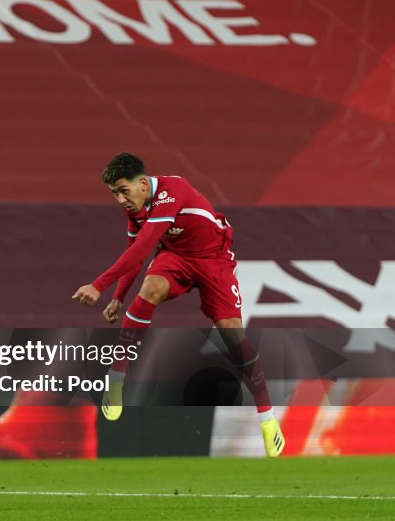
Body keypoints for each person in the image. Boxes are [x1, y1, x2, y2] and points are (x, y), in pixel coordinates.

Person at [71, 152, 285, 457]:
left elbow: (145, 246)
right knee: (151, 287)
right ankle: (117, 376)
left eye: (123, 191)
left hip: (214, 261)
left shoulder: (173, 191)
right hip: (176, 259)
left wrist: (99, 285)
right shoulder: (136, 206)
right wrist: (118, 297)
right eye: (114, 194)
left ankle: (266, 415)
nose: (120, 200)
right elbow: (134, 251)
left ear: (143, 184)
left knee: (232, 335)